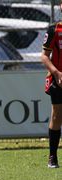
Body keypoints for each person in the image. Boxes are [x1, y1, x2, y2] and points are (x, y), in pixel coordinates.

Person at [42, 1, 62, 168]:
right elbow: (44, 56)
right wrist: (56, 73)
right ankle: (52, 156)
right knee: (57, 115)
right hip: (59, 79)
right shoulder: (54, 29)